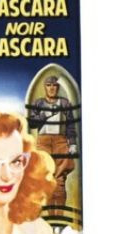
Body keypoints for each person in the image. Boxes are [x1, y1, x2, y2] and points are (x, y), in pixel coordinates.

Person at [27, 76, 77, 209]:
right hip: (43, 142)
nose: (52, 88)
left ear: (58, 87)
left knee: (59, 180)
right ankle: (48, 217)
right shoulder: (39, 103)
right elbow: (32, 123)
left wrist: (72, 143)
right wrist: (45, 115)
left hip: (60, 141)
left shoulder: (64, 103)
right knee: (46, 178)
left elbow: (71, 124)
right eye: (48, 85)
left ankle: (59, 216)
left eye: (54, 85)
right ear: (45, 87)